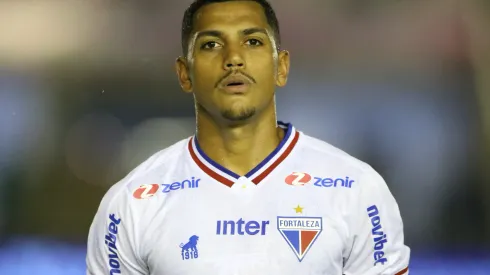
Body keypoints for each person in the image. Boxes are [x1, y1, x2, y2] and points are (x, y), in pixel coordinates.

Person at [86, 0, 410, 274]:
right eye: (211, 44)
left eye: (252, 41)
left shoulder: (356, 190)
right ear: (185, 74)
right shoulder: (131, 204)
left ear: (281, 67)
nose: (233, 59)